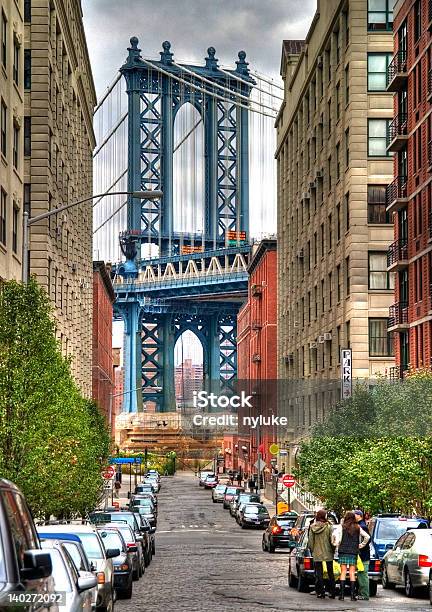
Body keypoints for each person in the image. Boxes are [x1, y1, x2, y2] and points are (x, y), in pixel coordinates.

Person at [335, 511, 370, 601]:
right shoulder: (357, 527)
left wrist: (337, 544)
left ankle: (341, 596)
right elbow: (367, 537)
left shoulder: (342, 527)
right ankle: (352, 596)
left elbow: (334, 536)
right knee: (352, 573)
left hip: (343, 551)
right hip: (353, 552)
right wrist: (361, 545)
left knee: (343, 572)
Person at [308, 509, 336, 599]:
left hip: (317, 552)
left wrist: (313, 550)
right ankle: (332, 592)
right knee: (330, 573)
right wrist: (333, 550)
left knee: (318, 574)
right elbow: (332, 540)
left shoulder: (312, 527)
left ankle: (320, 592)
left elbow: (310, 542)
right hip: (328, 552)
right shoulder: (329, 527)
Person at [354, 510, 370, 601]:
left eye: (354, 515)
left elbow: (368, 538)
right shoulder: (362, 525)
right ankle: (361, 593)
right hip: (363, 554)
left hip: (363, 555)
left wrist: (361, 545)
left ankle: (364, 594)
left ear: (359, 516)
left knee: (363, 575)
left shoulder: (362, 526)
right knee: (361, 574)